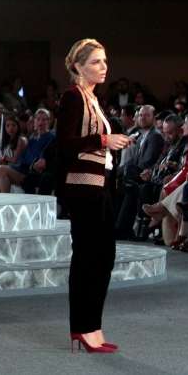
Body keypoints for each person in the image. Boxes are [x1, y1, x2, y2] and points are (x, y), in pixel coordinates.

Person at [57, 38, 133, 353]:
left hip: (100, 186)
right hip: (83, 188)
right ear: (78, 66)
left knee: (103, 257)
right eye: (95, 62)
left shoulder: (93, 99)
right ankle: (83, 328)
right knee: (89, 258)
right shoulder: (73, 97)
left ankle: (92, 327)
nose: (103, 67)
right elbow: (64, 143)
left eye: (104, 61)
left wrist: (112, 142)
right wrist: (104, 140)